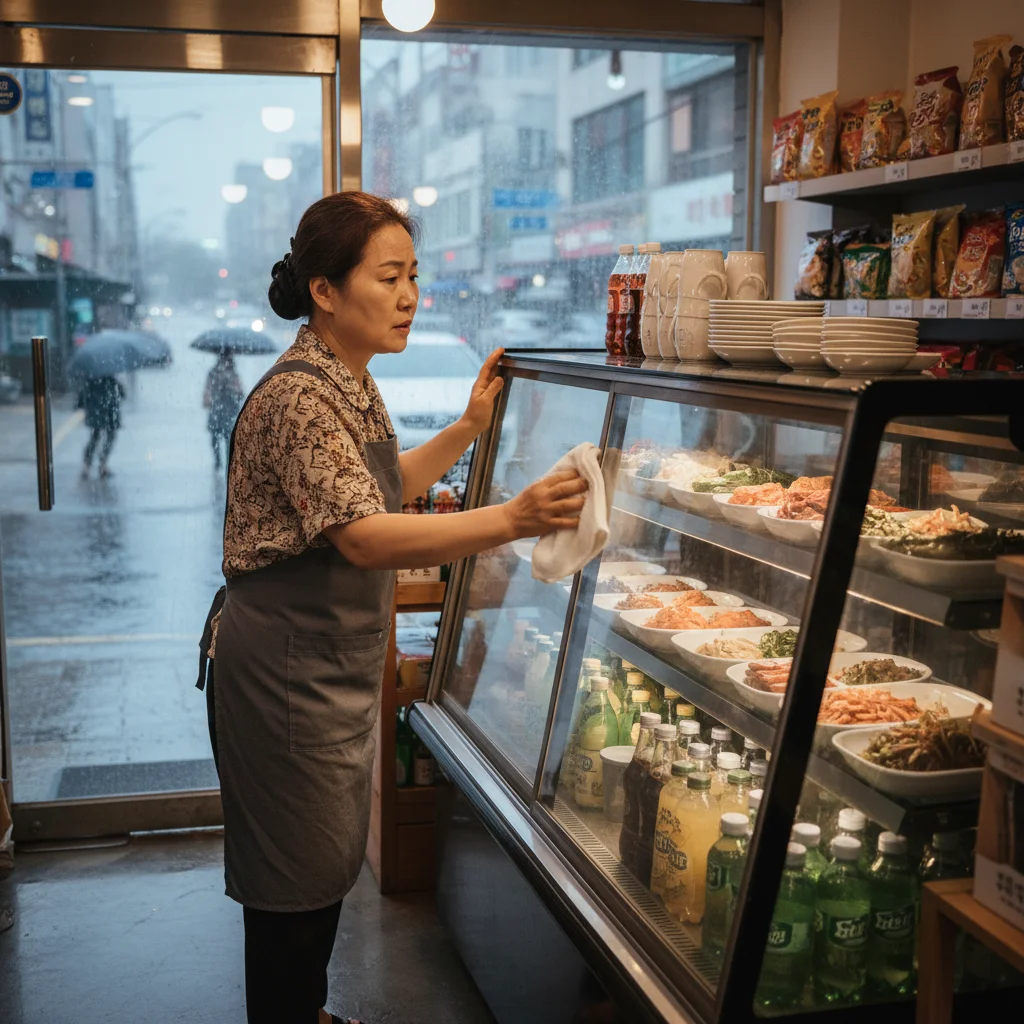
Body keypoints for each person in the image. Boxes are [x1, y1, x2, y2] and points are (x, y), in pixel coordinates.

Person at [199, 191, 587, 1024]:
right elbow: (366, 536)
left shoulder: (350, 380)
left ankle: (304, 1011)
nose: (411, 295)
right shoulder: (300, 397)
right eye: (389, 276)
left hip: (322, 669)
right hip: (285, 678)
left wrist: (466, 430)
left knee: (317, 871)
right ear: (326, 291)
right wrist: (515, 519)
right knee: (289, 891)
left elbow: (380, 486)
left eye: (415, 275)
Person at [78, 374, 125, 479]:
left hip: (96, 413)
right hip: (109, 412)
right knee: (110, 436)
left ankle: (87, 465)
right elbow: (122, 394)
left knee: (95, 437)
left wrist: (83, 405)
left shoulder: (91, 379)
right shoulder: (111, 379)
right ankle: (103, 464)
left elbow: (83, 396)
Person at [203, 352, 244, 469]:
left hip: (229, 413)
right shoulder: (213, 373)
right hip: (216, 412)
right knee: (214, 440)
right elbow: (208, 392)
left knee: (228, 441)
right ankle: (218, 462)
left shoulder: (233, 375)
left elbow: (240, 394)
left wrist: (233, 388)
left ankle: (227, 465)